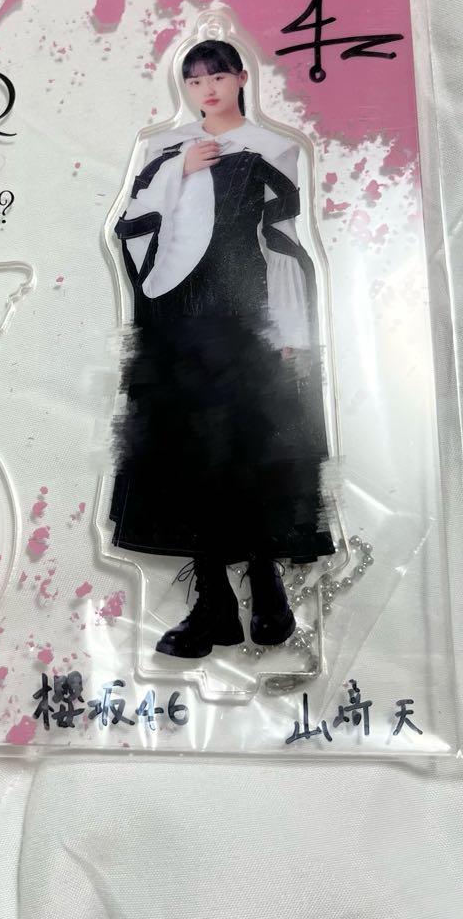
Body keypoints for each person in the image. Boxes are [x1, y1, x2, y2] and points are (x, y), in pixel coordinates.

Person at [109, 39, 334, 659]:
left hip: (243, 324)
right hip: (176, 324)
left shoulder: (273, 147)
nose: (207, 89)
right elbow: (133, 228)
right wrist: (179, 172)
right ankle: (213, 603)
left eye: (217, 76)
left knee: (247, 452)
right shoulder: (164, 150)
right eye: (194, 80)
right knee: (185, 459)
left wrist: (289, 334)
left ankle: (266, 586)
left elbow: (282, 241)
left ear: (240, 78)